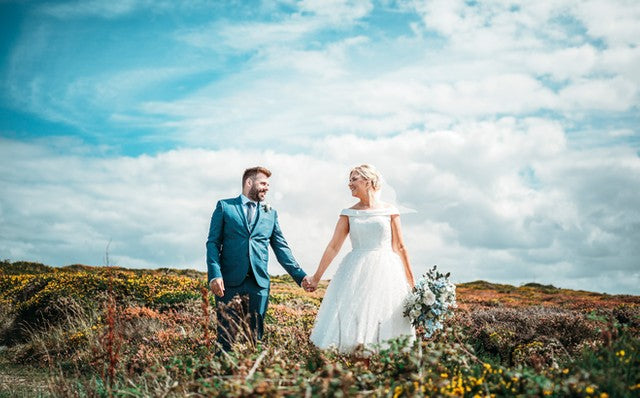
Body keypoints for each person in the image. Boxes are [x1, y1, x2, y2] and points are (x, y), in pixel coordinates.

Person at [305, 164, 415, 354]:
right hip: (355, 273)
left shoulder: (390, 211)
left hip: (386, 273)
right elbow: (333, 247)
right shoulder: (348, 213)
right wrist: (316, 277)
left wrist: (411, 281)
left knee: (388, 327)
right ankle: (361, 378)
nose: (350, 184)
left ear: (368, 181)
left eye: (354, 179)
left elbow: (400, 246)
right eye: (350, 180)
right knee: (356, 330)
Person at [206, 166, 312, 351]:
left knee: (256, 341)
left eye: (268, 184)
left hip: (259, 284)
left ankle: (254, 378)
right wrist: (215, 274)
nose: (267, 188)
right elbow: (213, 243)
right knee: (225, 340)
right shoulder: (225, 207)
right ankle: (222, 377)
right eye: (263, 183)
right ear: (249, 182)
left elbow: (281, 248)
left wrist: (300, 276)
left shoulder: (270, 213)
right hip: (229, 284)